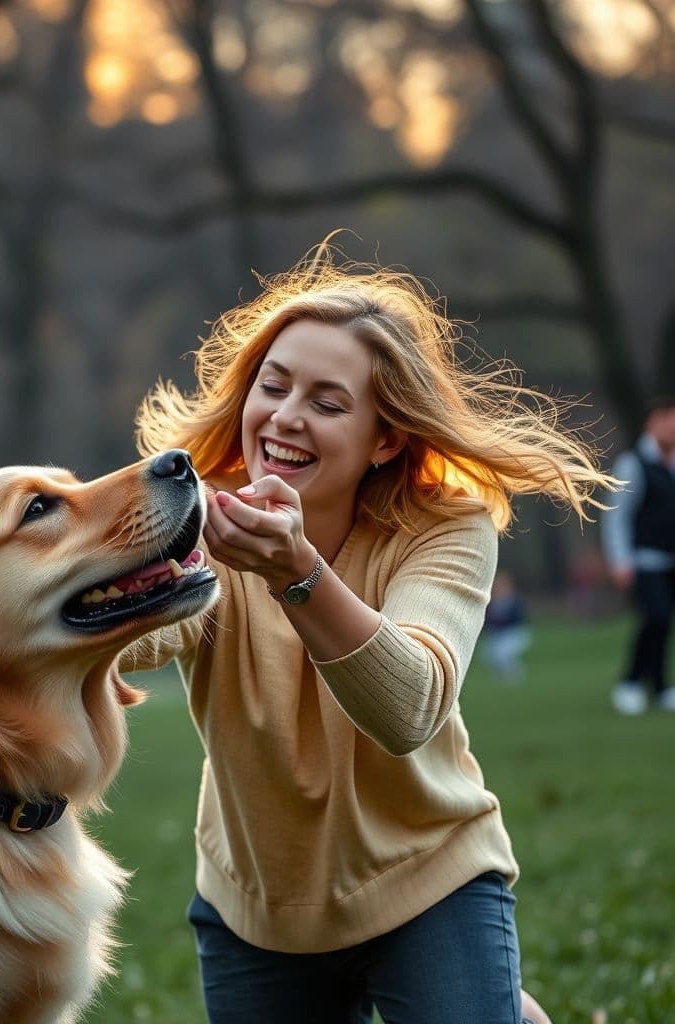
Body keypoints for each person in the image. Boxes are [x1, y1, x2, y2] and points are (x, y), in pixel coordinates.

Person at [121, 245, 614, 1024]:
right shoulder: (203, 521)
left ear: (385, 439)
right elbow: (122, 643)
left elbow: (408, 708)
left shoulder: (446, 528)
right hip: (259, 909)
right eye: (273, 386)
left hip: (428, 881)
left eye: (326, 402)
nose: (284, 417)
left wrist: (294, 572)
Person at [600, 397, 675, 715]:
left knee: (664, 623)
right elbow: (617, 515)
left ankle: (660, 686)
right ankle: (630, 682)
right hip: (644, 559)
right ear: (652, 422)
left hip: (671, 559)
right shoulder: (634, 463)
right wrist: (619, 559)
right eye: (668, 419)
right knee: (655, 617)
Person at [482, 570, 532, 681]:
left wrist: (500, 621)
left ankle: (514, 675)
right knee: (487, 655)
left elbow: (518, 620)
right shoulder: (491, 602)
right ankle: (502, 677)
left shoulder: (514, 601)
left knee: (502, 653)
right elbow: (487, 622)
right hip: (497, 635)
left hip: (515, 633)